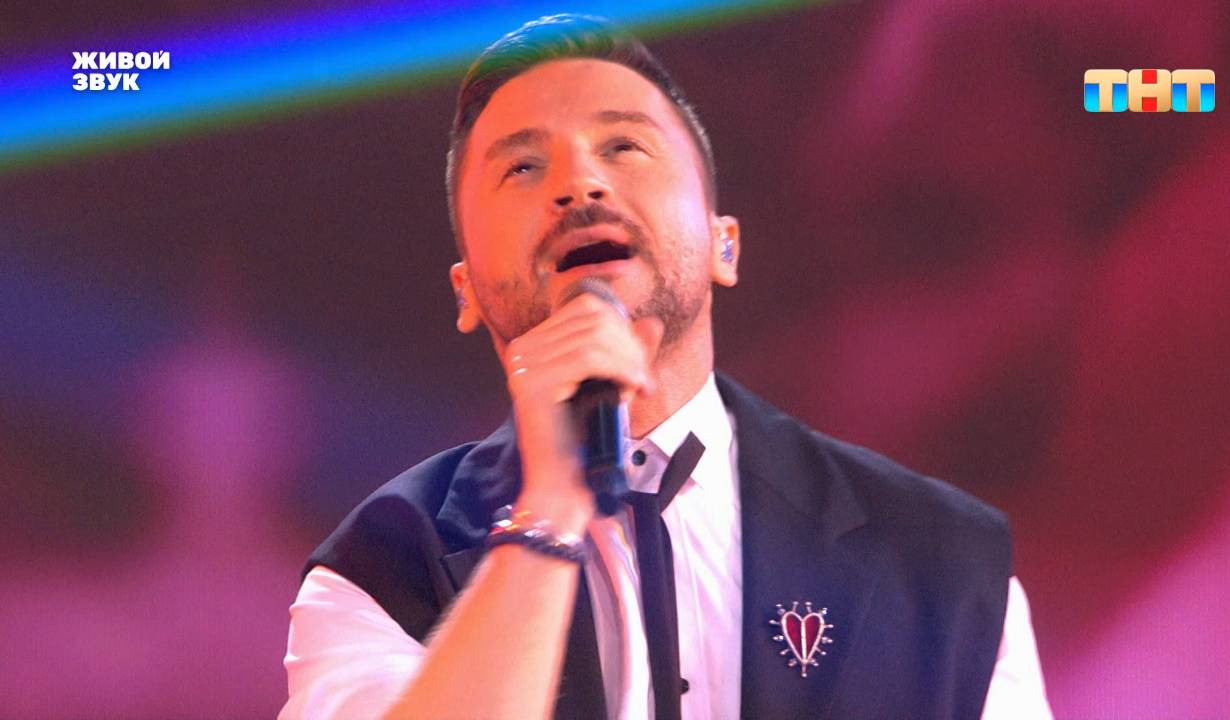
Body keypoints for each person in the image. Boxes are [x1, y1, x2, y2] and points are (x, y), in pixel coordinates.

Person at [280, 14, 1051, 719]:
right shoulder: (384, 565)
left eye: (623, 147)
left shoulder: (941, 563)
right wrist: (550, 508)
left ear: (724, 244)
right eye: (522, 168)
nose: (578, 186)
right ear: (467, 292)